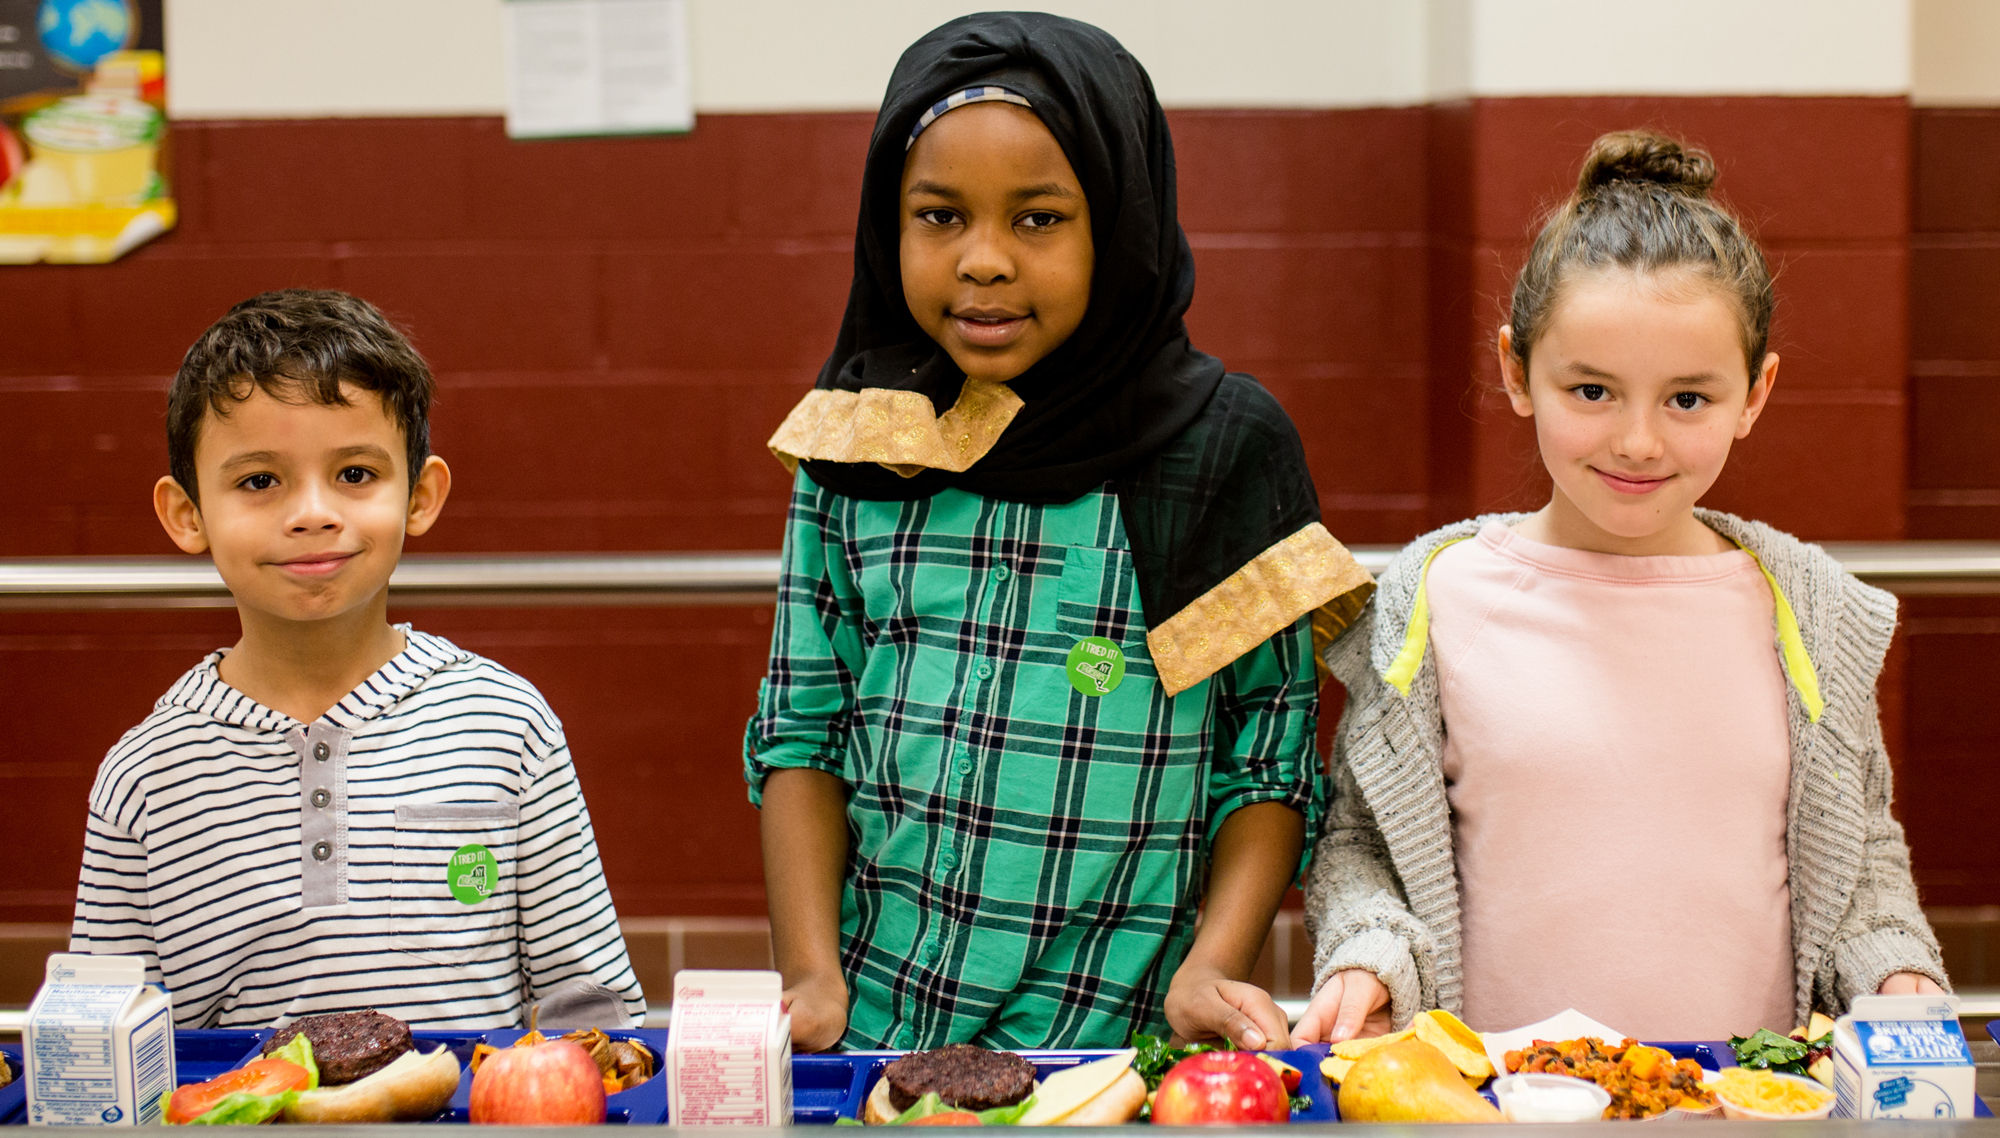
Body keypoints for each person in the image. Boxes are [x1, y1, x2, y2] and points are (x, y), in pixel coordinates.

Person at [746, 13, 1375, 1053]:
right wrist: (812, 976)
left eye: (1037, 220)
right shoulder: (862, 438)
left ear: (1118, 225)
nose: (982, 261)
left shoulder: (1217, 448)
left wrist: (1212, 967)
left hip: (1122, 1050)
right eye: (938, 217)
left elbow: (1264, 763)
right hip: (881, 1039)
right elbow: (800, 733)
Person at [1294, 131, 1950, 1046]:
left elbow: (1862, 852)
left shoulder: (1809, 611)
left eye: (1688, 400)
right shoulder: (1434, 599)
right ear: (1516, 371)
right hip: (1508, 1101)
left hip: (1740, 1100)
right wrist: (1369, 952)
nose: (1638, 441)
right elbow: (1362, 846)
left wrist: (1894, 963)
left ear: (1755, 395)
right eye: (1593, 391)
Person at [68, 289, 645, 1029]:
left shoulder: (506, 724)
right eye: (258, 481)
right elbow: (104, 1046)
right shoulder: (143, 776)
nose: (313, 512)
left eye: (354, 475)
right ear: (188, 515)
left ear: (421, 496)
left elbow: (589, 1012)